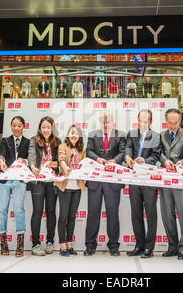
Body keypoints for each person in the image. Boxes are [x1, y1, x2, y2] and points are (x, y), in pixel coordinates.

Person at [85, 110, 125, 256]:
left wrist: (115, 161)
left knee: (113, 214)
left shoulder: (120, 135)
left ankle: (113, 245)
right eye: (103, 122)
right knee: (93, 213)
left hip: (112, 180)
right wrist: (98, 159)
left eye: (108, 122)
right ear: (100, 122)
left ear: (112, 122)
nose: (105, 124)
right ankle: (90, 245)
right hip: (95, 180)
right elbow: (88, 151)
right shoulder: (92, 135)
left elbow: (123, 152)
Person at [124, 109, 161, 258]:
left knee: (151, 214)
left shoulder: (156, 136)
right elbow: (128, 148)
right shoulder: (132, 133)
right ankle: (139, 245)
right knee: (136, 213)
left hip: (149, 178)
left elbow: (156, 155)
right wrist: (127, 157)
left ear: (150, 122)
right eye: (140, 120)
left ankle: (149, 248)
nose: (142, 124)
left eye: (145, 121)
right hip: (134, 179)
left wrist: (145, 161)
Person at [159, 108, 183, 260]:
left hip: (180, 179)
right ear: (166, 121)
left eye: (176, 123)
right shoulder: (161, 135)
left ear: (180, 121)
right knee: (167, 214)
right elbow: (158, 152)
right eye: (170, 123)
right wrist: (164, 161)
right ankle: (172, 246)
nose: (173, 126)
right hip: (165, 178)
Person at [0, 116, 30, 257]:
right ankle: (4, 243)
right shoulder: (4, 140)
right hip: (3, 179)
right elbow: (0, 154)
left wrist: (25, 161)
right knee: (2, 210)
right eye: (14, 125)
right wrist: (1, 161)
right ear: (11, 126)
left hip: (19, 179)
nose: (16, 128)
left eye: (19, 125)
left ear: (24, 126)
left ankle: (20, 245)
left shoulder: (28, 142)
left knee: (19, 209)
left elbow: (31, 158)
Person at [28, 116, 61, 256]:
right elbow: (31, 154)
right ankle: (35, 244)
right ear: (40, 128)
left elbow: (60, 160)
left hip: (52, 182)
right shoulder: (34, 140)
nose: (46, 130)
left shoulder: (58, 142)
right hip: (38, 180)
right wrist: (33, 166)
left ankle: (50, 242)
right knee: (37, 211)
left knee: (51, 211)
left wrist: (55, 164)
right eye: (44, 127)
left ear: (53, 128)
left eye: (49, 127)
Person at [54, 125, 86, 257]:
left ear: (79, 136)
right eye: (71, 133)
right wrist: (64, 166)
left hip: (77, 187)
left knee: (72, 217)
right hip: (65, 186)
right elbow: (61, 159)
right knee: (63, 216)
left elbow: (84, 164)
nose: (73, 135)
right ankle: (62, 245)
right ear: (67, 135)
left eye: (76, 133)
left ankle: (69, 244)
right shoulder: (63, 146)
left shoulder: (83, 149)